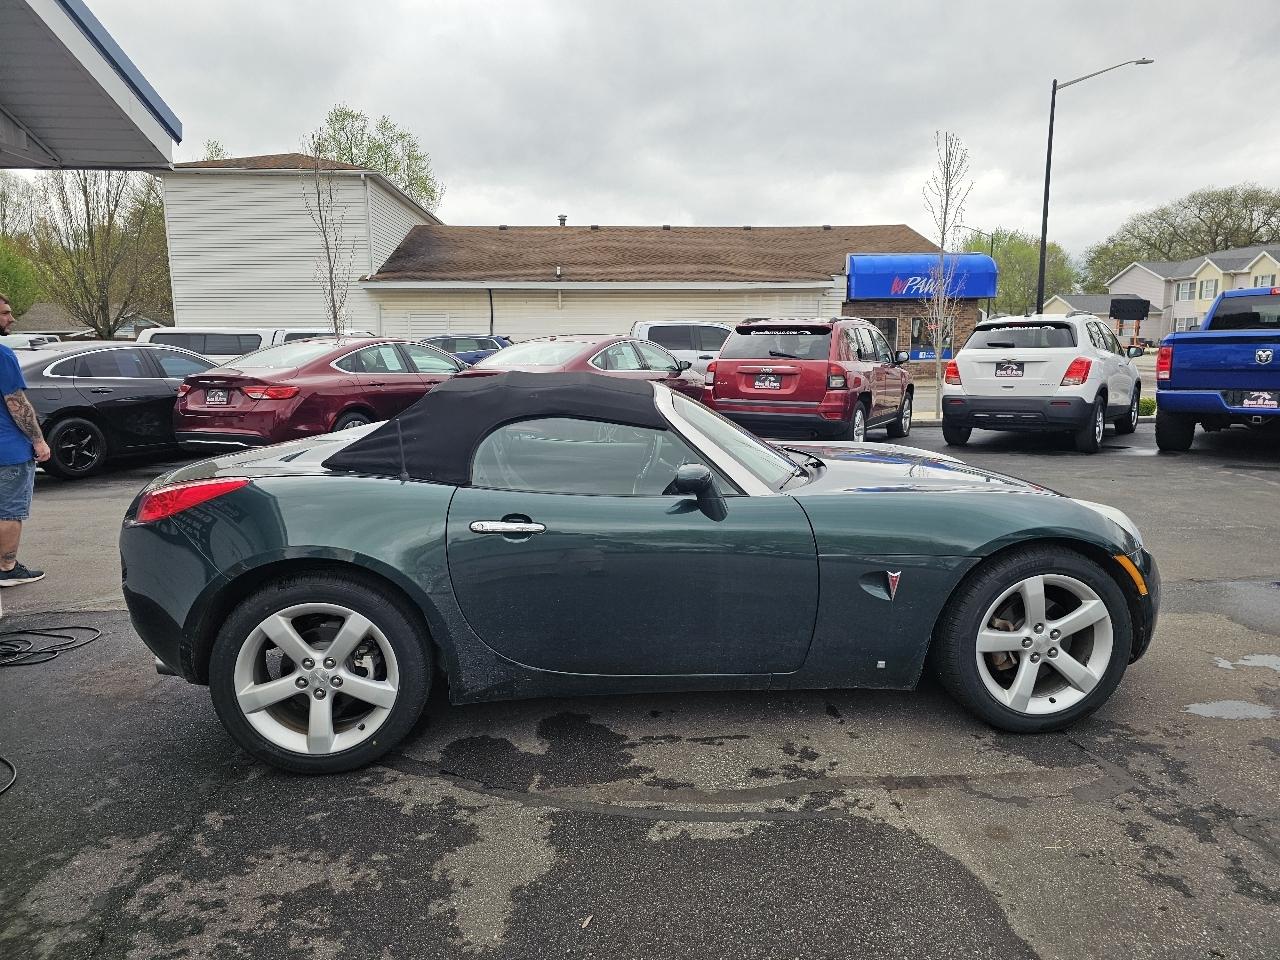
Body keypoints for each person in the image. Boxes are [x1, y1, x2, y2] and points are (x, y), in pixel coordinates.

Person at [0, 291, 50, 586]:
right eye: (5, 313)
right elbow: (15, 403)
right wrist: (38, 441)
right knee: (9, 512)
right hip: (8, 451)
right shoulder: (3, 355)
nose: (11, 318)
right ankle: (7, 568)